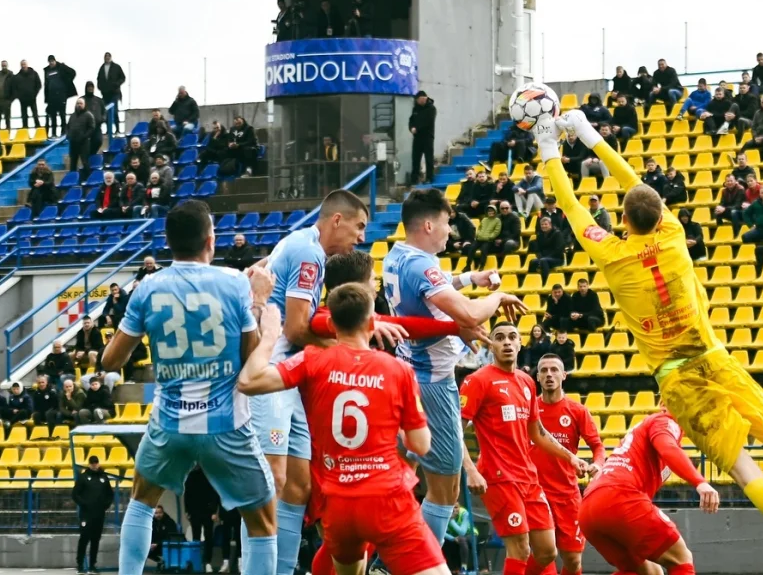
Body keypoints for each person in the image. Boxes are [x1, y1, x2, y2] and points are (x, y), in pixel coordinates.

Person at [536, 110, 763, 575]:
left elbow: (571, 206)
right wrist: (589, 135)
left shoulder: (610, 252)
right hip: (715, 357)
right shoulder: (673, 234)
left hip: (679, 381)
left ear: (625, 220)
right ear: (658, 213)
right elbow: (635, 183)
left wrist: (548, 145)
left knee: (745, 471)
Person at [99, 200, 281, 575]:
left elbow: (110, 362)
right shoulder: (233, 283)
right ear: (210, 240)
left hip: (170, 424)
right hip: (227, 426)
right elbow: (251, 356)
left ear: (169, 243)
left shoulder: (148, 287)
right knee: (262, 520)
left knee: (141, 500)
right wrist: (259, 300)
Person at [239, 282, 449, 575]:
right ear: (373, 321)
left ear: (332, 323)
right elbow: (420, 446)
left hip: (338, 503)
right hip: (386, 498)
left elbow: (248, 382)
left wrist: (270, 336)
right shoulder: (397, 369)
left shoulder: (311, 359)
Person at [383, 188, 526, 547]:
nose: (451, 232)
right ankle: (405, 564)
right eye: (447, 224)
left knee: (403, 470)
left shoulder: (397, 255)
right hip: (433, 382)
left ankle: (386, 553)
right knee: (445, 488)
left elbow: (431, 289)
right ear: (429, 224)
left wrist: (469, 279)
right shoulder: (422, 265)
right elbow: (470, 314)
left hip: (408, 372)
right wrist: (496, 296)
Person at [460, 323, 590, 575]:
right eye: (499, 338)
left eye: (512, 337)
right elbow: (455, 428)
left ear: (520, 344)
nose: (506, 342)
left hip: (528, 478)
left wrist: (571, 457)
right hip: (498, 478)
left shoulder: (526, 382)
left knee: (546, 551)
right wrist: (470, 470)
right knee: (520, 548)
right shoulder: (478, 381)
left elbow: (538, 431)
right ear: (491, 344)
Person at [581, 403, 718, 575]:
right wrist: (700, 482)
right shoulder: (664, 421)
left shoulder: (650, 430)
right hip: (619, 497)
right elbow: (668, 448)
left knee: (649, 572)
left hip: (590, 507)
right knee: (681, 558)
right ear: (663, 404)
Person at [531, 356, 605, 575]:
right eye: (543, 370)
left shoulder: (577, 410)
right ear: (537, 377)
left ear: (564, 375)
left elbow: (597, 446)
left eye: (554, 370)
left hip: (566, 494)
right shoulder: (529, 409)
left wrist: (597, 465)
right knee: (542, 553)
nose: (549, 374)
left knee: (572, 559)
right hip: (535, 493)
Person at [72, 455, 115, 574]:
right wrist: (84, 504)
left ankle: (92, 565)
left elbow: (110, 494)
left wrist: (104, 506)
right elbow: (75, 494)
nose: (94, 465)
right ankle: (80, 565)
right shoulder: (83, 477)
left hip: (99, 514)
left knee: (95, 540)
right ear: (89, 464)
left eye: (96, 462)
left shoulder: (103, 478)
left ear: (98, 463)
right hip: (86, 515)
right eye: (92, 463)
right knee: (84, 539)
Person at [184, 466, 221, 571]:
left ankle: (207, 562)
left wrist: (214, 511)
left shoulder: (210, 475)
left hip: (207, 511)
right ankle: (196, 561)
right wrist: (187, 510)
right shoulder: (191, 475)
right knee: (196, 537)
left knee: (208, 537)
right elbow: (187, 492)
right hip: (195, 510)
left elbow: (215, 494)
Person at [43, 55, 78, 137]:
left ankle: (63, 132)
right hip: (51, 97)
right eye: (50, 61)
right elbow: (46, 85)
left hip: (61, 96)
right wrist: (46, 98)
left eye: (52, 61)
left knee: (62, 115)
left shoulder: (61, 67)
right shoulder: (47, 71)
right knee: (53, 116)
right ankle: (54, 133)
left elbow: (73, 73)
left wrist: (64, 67)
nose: (51, 63)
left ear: (55, 61)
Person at [410, 91, 438, 185]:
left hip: (427, 137)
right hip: (417, 137)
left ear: (424, 98)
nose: (418, 101)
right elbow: (411, 120)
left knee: (428, 158)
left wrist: (417, 128)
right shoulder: (415, 109)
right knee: (415, 158)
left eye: (419, 99)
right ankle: (414, 178)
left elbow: (428, 122)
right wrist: (411, 128)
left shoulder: (431, 109)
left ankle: (429, 177)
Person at [97, 52, 126, 134]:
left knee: (115, 111)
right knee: (105, 111)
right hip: (105, 94)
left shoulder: (116, 67)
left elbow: (123, 78)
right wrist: (100, 87)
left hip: (115, 93)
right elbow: (98, 79)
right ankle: (108, 129)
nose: (107, 58)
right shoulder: (102, 68)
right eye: (105, 56)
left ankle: (117, 129)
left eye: (108, 56)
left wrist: (116, 84)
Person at [67, 99, 97, 173]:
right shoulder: (72, 116)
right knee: (73, 163)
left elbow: (92, 128)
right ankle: (72, 180)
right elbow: (68, 126)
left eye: (81, 103)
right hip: (73, 143)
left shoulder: (88, 115)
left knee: (85, 162)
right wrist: (68, 135)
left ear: (84, 105)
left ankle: (87, 179)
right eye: (78, 103)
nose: (79, 105)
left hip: (84, 143)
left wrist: (84, 136)